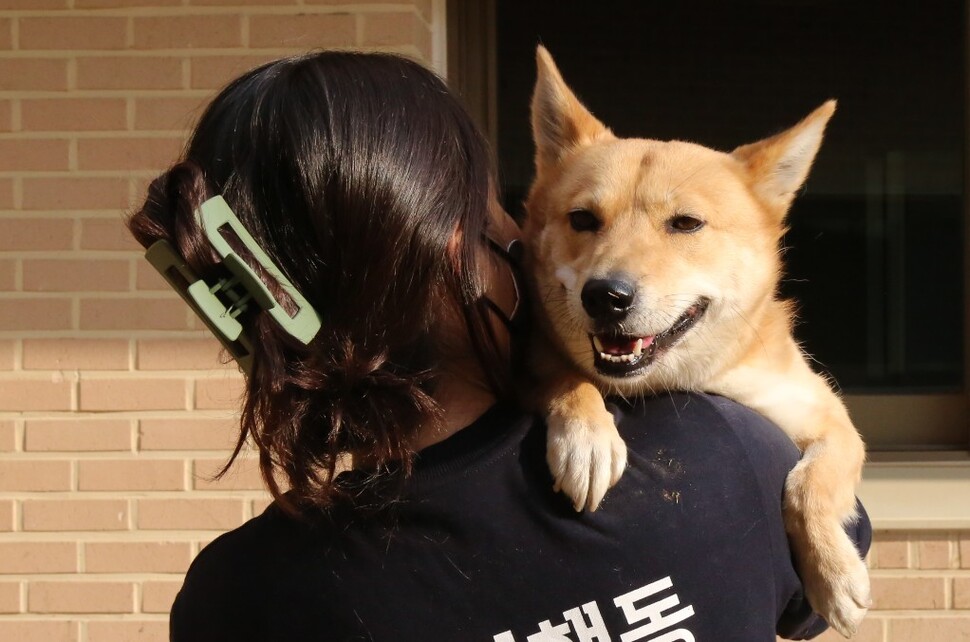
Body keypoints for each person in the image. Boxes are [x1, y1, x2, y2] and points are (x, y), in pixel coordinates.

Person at [127, 51, 871, 641]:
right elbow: (813, 590)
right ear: (460, 253)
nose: (521, 236)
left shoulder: (241, 598)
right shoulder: (729, 455)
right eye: (504, 213)